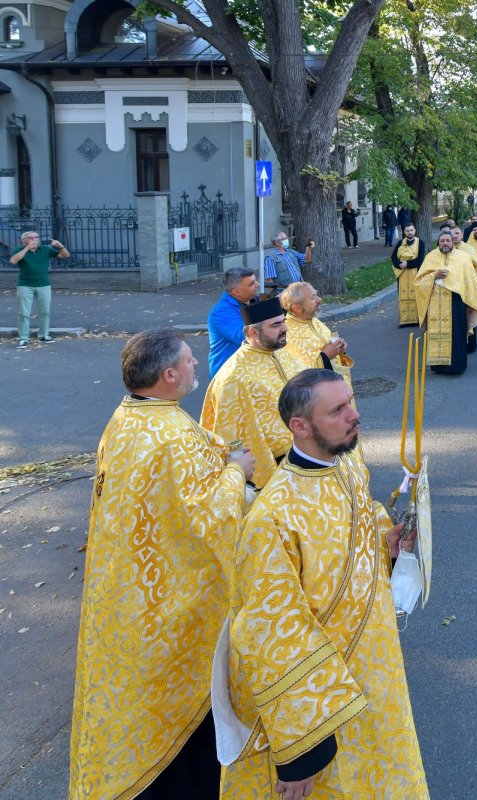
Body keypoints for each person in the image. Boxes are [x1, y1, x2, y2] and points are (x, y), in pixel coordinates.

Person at [219, 369, 428, 798]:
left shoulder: (345, 463)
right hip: (324, 703)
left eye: (351, 401)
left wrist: (385, 539)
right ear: (300, 426)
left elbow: (360, 520)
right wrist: (302, 752)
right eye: (338, 409)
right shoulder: (273, 518)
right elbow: (272, 632)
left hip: (375, 666)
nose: (355, 415)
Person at [69, 328, 253, 800]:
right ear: (169, 375)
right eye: (191, 362)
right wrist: (237, 471)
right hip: (172, 605)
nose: (197, 366)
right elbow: (212, 517)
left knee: (140, 704)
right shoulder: (172, 433)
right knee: (183, 726)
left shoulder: (125, 418)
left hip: (126, 591)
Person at [201, 296, 303, 488]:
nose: (285, 329)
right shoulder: (234, 377)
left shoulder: (280, 352)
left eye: (283, 322)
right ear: (253, 332)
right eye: (275, 325)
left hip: (304, 447)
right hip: (278, 463)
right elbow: (230, 434)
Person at [416, 231, 477, 374]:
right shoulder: (431, 257)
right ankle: (439, 366)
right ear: (438, 242)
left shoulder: (463, 258)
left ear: (453, 242)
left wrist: (470, 303)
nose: (445, 243)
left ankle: (457, 366)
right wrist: (434, 275)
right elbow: (419, 282)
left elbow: (470, 281)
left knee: (457, 333)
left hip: (457, 302)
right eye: (442, 241)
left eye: (448, 240)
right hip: (436, 302)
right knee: (436, 333)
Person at [279, 281, 353, 390]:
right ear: (297, 308)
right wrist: (325, 357)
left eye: (316, 294)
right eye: (313, 297)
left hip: (340, 388)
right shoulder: (288, 334)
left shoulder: (314, 321)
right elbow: (298, 374)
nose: (319, 300)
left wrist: (339, 350)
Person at [10, 230, 68, 349]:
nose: (35, 239)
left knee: (45, 312)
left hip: (43, 285)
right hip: (25, 285)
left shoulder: (44, 250)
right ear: (24, 240)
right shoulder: (19, 251)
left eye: (36, 237)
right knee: (24, 313)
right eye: (31, 238)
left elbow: (65, 255)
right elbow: (13, 261)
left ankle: (43, 335)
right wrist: (26, 249)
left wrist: (60, 246)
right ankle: (24, 339)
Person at [207, 267, 259, 377]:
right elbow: (246, 336)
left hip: (247, 370)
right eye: (251, 284)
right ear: (236, 292)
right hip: (229, 375)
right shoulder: (221, 313)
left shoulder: (252, 301)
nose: (257, 285)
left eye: (255, 280)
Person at [392, 223, 426, 328]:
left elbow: (420, 259)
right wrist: (399, 264)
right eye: (407, 231)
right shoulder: (400, 243)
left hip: (416, 273)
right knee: (403, 297)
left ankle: (417, 320)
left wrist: (408, 264)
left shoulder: (420, 242)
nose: (410, 232)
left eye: (411, 230)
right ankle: (404, 320)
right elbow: (393, 257)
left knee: (416, 296)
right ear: (404, 232)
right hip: (402, 275)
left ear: (415, 230)